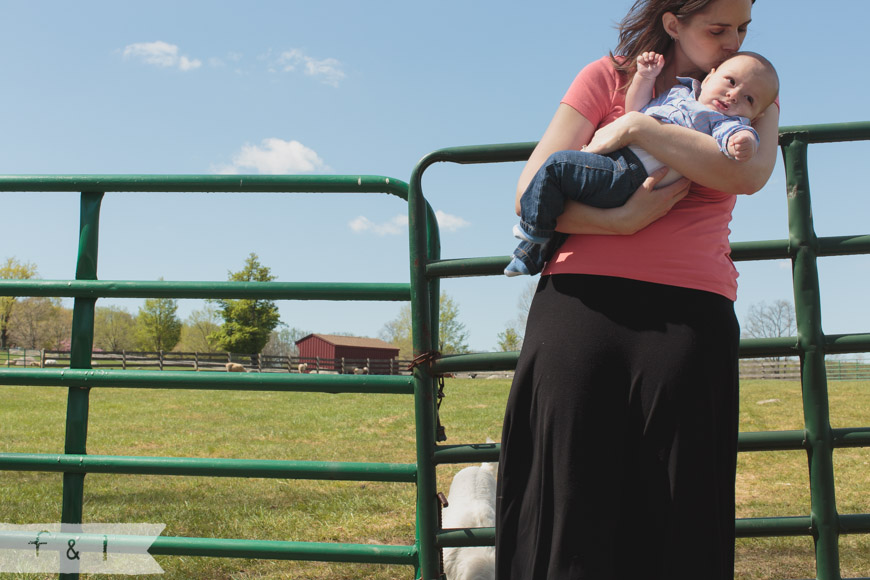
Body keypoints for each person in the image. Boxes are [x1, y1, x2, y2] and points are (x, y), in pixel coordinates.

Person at [495, 0, 779, 579]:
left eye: (743, 28)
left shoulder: (749, 87)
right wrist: (619, 220)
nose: (733, 43)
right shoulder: (608, 75)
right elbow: (531, 191)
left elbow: (744, 174)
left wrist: (638, 127)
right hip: (580, 302)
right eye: (718, 29)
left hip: (689, 310)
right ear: (674, 23)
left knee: (679, 501)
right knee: (568, 493)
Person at [505, 50, 779, 276]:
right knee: (557, 190)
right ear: (708, 78)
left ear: (755, 114)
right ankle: (531, 251)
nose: (734, 95)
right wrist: (645, 78)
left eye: (749, 99)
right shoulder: (678, 95)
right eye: (730, 82)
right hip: (617, 164)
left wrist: (745, 141)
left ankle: (533, 237)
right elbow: (636, 110)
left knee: (556, 167)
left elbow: (737, 142)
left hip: (630, 174)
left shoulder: (722, 121)